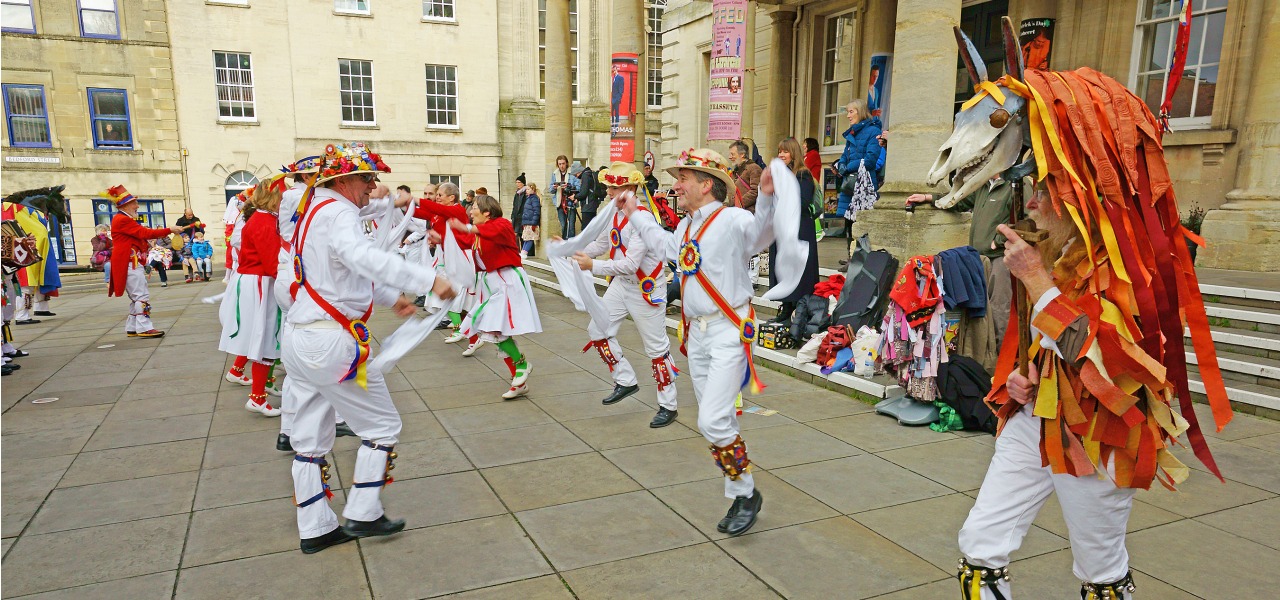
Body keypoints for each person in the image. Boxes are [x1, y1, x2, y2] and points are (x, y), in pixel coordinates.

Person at [284, 142, 455, 553]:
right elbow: (359, 257)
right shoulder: (339, 212)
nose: (372, 186)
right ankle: (363, 510)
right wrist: (426, 280)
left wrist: (389, 296)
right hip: (330, 343)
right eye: (366, 178)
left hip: (300, 336)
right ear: (341, 180)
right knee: (382, 427)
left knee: (308, 440)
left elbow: (336, 275)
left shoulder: (310, 213)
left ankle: (316, 527)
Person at [621, 148, 787, 536]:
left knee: (711, 419)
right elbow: (665, 249)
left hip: (730, 330)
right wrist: (633, 214)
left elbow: (762, 235)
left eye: (683, 179)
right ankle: (742, 493)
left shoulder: (731, 219)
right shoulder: (686, 228)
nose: (676, 185)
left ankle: (746, 492)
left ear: (705, 185)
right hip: (696, 333)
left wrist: (765, 196)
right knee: (720, 419)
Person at [569, 162, 681, 427]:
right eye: (608, 187)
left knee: (656, 348)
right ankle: (625, 380)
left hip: (646, 288)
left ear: (630, 188)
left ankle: (669, 405)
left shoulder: (643, 219)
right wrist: (574, 249)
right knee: (597, 330)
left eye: (614, 187)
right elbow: (604, 244)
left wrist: (592, 265)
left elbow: (631, 263)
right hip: (621, 285)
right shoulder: (613, 214)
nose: (608, 193)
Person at [906, 174, 1023, 344]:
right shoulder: (982, 184)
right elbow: (959, 200)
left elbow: (1026, 218)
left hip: (1000, 258)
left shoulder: (1016, 183)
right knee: (981, 309)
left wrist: (999, 241)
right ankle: (983, 353)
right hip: (978, 259)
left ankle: (999, 357)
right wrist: (928, 198)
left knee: (999, 309)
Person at [449, 195, 540, 397]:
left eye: (474, 208)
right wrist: (444, 237)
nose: (470, 212)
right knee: (491, 330)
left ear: (487, 212)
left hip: (508, 280)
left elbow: (490, 231)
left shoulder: (502, 224)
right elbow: (467, 241)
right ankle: (519, 379)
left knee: (493, 328)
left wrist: (467, 228)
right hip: (492, 283)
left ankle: (522, 366)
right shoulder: (481, 231)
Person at [219, 180, 286, 418]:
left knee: (261, 337)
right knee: (265, 337)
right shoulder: (266, 221)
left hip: (253, 281)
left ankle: (259, 393)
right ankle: (257, 397)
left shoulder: (257, 218)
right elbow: (272, 263)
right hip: (261, 282)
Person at [104, 185, 183, 338]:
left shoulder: (123, 219)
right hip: (129, 262)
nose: (137, 205)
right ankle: (144, 327)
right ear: (125, 205)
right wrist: (169, 230)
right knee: (141, 296)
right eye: (134, 203)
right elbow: (145, 233)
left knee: (136, 296)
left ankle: (132, 326)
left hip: (129, 261)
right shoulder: (122, 219)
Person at [411, 182, 474, 341]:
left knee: (457, 293)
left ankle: (463, 329)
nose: (436, 198)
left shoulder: (456, 210)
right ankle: (461, 328)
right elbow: (418, 213)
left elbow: (437, 211)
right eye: (435, 194)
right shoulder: (441, 212)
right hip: (446, 255)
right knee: (447, 293)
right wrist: (393, 204)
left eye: (439, 195)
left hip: (460, 255)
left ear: (452, 197)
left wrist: (413, 199)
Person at [768, 138, 820, 326]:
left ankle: (799, 311)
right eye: (779, 151)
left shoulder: (803, 175)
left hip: (799, 229)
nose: (781, 155)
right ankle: (786, 308)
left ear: (794, 154)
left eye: (785, 152)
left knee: (798, 270)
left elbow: (803, 202)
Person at [833, 99, 882, 238]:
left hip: (864, 184)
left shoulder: (873, 131)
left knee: (862, 221)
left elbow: (870, 160)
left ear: (860, 112)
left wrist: (847, 168)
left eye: (851, 112)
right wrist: (840, 165)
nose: (848, 116)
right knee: (848, 220)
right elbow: (844, 155)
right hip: (849, 183)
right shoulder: (852, 133)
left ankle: (860, 257)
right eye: (848, 112)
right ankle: (850, 257)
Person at [726, 140, 762, 213]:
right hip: (738, 211)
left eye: (732, 154)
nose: (730, 157)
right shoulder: (737, 170)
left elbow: (755, 191)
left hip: (748, 213)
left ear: (742, 154)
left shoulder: (754, 168)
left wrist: (737, 203)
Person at [549, 155, 578, 238]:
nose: (561, 166)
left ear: (566, 163)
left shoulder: (572, 173)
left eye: (563, 163)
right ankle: (564, 245)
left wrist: (568, 186)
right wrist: (554, 187)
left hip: (570, 203)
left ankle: (571, 246)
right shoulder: (554, 174)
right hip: (560, 203)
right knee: (563, 225)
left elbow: (578, 187)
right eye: (560, 164)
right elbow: (550, 189)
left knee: (571, 225)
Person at [520, 182, 542, 258]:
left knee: (530, 238)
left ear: (533, 189)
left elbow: (536, 211)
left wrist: (534, 223)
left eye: (528, 189)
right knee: (526, 238)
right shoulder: (528, 198)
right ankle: (523, 251)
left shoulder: (534, 198)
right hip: (527, 221)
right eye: (526, 189)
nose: (526, 191)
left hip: (531, 222)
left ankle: (524, 252)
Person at [578, 161, 600, 228]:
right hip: (592, 205)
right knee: (591, 227)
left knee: (586, 228)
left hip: (587, 206)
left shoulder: (585, 175)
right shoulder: (590, 174)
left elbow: (583, 193)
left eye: (576, 174)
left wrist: (575, 197)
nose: (577, 177)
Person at [511, 173, 528, 237]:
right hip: (516, 218)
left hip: (522, 218)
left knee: (524, 237)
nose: (517, 184)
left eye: (519, 182)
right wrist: (512, 216)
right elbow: (514, 206)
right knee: (518, 237)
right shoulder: (517, 193)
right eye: (516, 182)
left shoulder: (525, 193)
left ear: (523, 183)